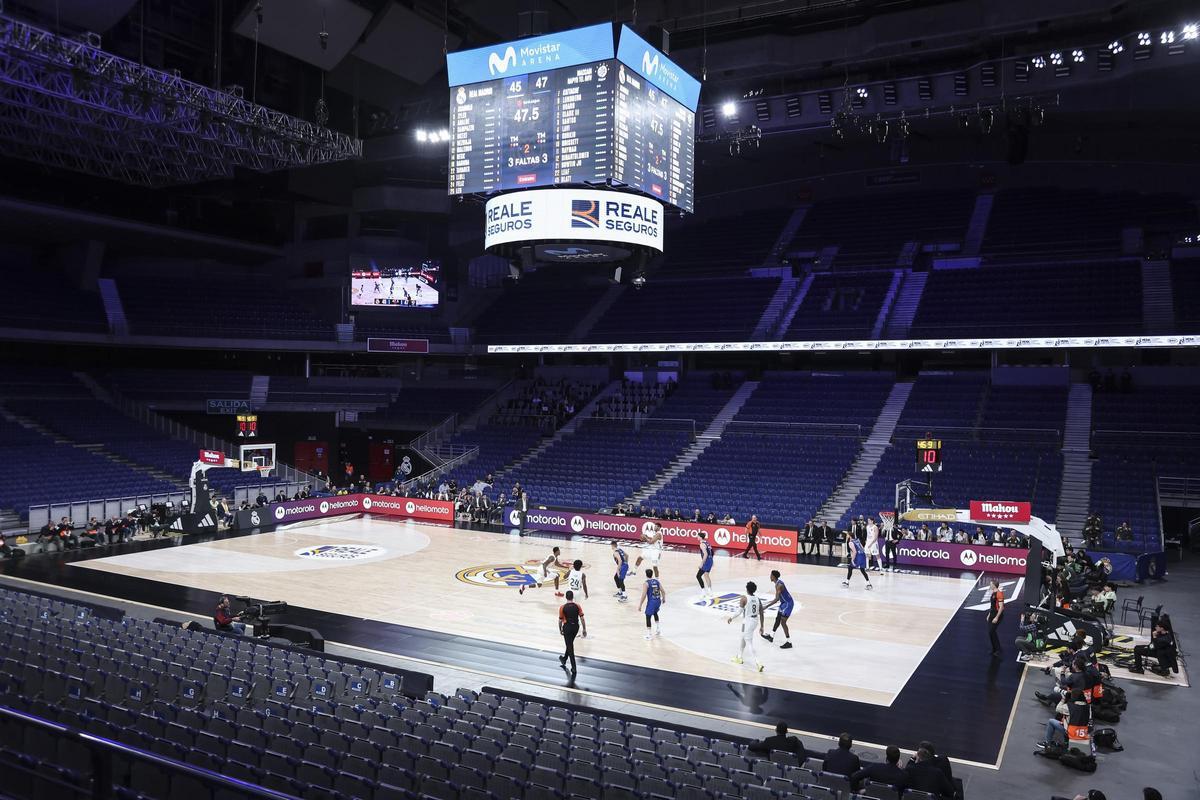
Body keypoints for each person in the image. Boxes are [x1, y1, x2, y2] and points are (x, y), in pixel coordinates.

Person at [727, 580, 765, 671]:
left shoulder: (744, 598)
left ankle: (758, 662)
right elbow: (761, 613)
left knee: (749, 643)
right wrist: (762, 626)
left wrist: (731, 617)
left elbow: (739, 611)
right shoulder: (757, 599)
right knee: (742, 637)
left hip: (747, 622)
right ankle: (739, 657)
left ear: (747, 589)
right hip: (754, 621)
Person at [762, 570, 795, 649]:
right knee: (778, 619)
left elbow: (776, 599)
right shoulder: (777, 583)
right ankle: (771, 636)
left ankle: (789, 642)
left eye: (770, 575)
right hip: (783, 603)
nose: (769, 577)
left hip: (788, 603)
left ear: (773, 576)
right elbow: (778, 599)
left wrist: (766, 606)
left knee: (783, 622)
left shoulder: (779, 585)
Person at [558, 590, 586, 676]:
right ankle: (564, 658)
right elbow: (582, 618)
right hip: (575, 628)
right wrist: (584, 629)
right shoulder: (577, 606)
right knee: (569, 644)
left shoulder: (562, 607)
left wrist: (560, 630)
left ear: (566, 597)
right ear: (572, 597)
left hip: (567, 628)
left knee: (570, 647)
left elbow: (560, 620)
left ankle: (574, 667)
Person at [638, 568, 666, 639]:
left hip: (652, 602)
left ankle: (649, 635)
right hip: (658, 600)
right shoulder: (657, 581)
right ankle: (658, 629)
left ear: (646, 575)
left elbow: (644, 595)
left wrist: (640, 604)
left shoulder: (646, 583)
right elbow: (663, 591)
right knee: (655, 613)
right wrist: (664, 599)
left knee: (648, 616)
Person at [986, 578, 1005, 657]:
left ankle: (998, 649)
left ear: (994, 585)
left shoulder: (999, 593)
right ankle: (994, 649)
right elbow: (992, 606)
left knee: (991, 632)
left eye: (990, 584)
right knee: (991, 633)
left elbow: (1001, 607)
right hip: (992, 614)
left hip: (997, 615)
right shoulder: (993, 593)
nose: (989, 585)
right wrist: (989, 614)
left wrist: (996, 617)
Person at [696, 531, 714, 601]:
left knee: (698, 576)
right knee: (706, 575)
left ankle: (703, 591)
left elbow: (705, 554)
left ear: (700, 537)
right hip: (710, 560)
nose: (697, 537)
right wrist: (712, 560)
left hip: (706, 561)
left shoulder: (702, 544)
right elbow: (712, 552)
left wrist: (702, 563)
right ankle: (710, 591)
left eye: (698, 536)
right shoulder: (707, 543)